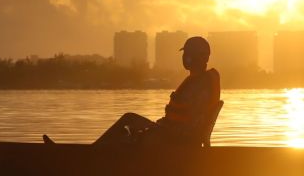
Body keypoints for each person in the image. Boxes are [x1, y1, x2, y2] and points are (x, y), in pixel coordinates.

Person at [43, 36, 220, 148]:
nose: (184, 58)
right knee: (130, 125)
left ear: (198, 57)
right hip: (171, 134)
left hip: (177, 141)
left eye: (188, 54)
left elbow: (191, 127)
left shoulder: (201, 85)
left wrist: (159, 131)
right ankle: (94, 153)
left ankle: (92, 156)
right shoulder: (197, 81)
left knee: (129, 120)